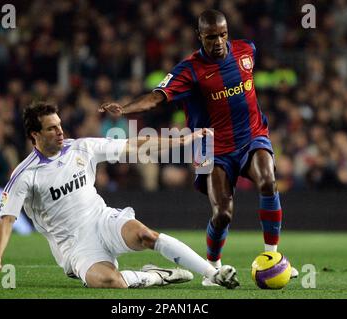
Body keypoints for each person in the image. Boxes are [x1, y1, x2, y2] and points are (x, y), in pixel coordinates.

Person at [99, 9, 298, 286]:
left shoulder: (246, 51)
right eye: (211, 37)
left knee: (268, 181)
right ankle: (214, 269)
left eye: (222, 35)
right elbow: (157, 98)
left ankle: (272, 257)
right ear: (200, 36)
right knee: (222, 213)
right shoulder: (189, 69)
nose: (218, 42)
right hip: (209, 148)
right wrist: (125, 109)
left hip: (252, 136)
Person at [0, 101, 239, 289]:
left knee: (146, 235)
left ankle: (213, 273)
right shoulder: (25, 175)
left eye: (59, 125)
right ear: (35, 134)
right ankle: (158, 276)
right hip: (73, 246)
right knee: (109, 282)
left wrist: (180, 141)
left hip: (102, 220)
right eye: (51, 128)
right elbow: (7, 218)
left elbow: (134, 145)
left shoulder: (83, 148)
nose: (60, 132)